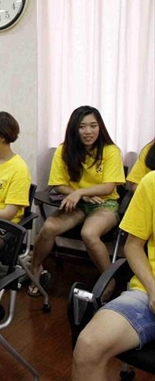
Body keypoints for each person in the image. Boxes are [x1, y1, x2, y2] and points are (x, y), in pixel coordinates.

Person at [28, 106, 126, 297]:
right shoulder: (64, 150)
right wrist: (79, 195)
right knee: (48, 227)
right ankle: (35, 269)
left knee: (89, 233)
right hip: (77, 203)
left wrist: (80, 192)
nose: (88, 131)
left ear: (100, 127)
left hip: (104, 203)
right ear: (74, 128)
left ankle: (109, 282)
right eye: (82, 127)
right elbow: (58, 184)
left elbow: (108, 187)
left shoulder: (110, 150)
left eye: (93, 126)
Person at [72, 170, 155, 381]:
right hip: (148, 292)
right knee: (88, 346)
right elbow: (133, 246)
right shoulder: (151, 182)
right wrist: (153, 290)